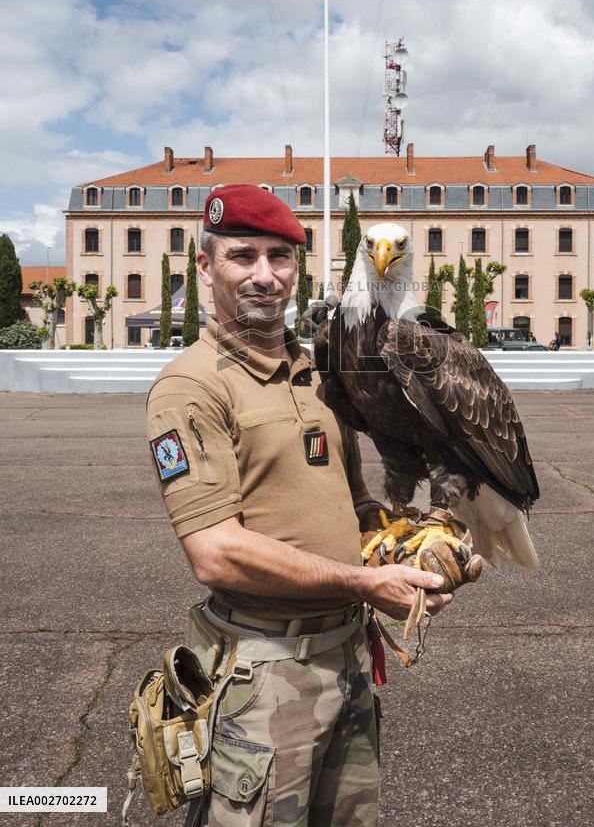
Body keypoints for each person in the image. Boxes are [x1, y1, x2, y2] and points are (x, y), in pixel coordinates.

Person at [146, 184, 452, 827]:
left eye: (279, 257)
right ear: (205, 266)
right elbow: (216, 555)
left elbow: (357, 502)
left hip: (346, 658)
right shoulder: (190, 386)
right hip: (260, 679)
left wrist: (411, 549)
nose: (264, 275)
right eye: (242, 256)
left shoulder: (321, 374)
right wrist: (368, 582)